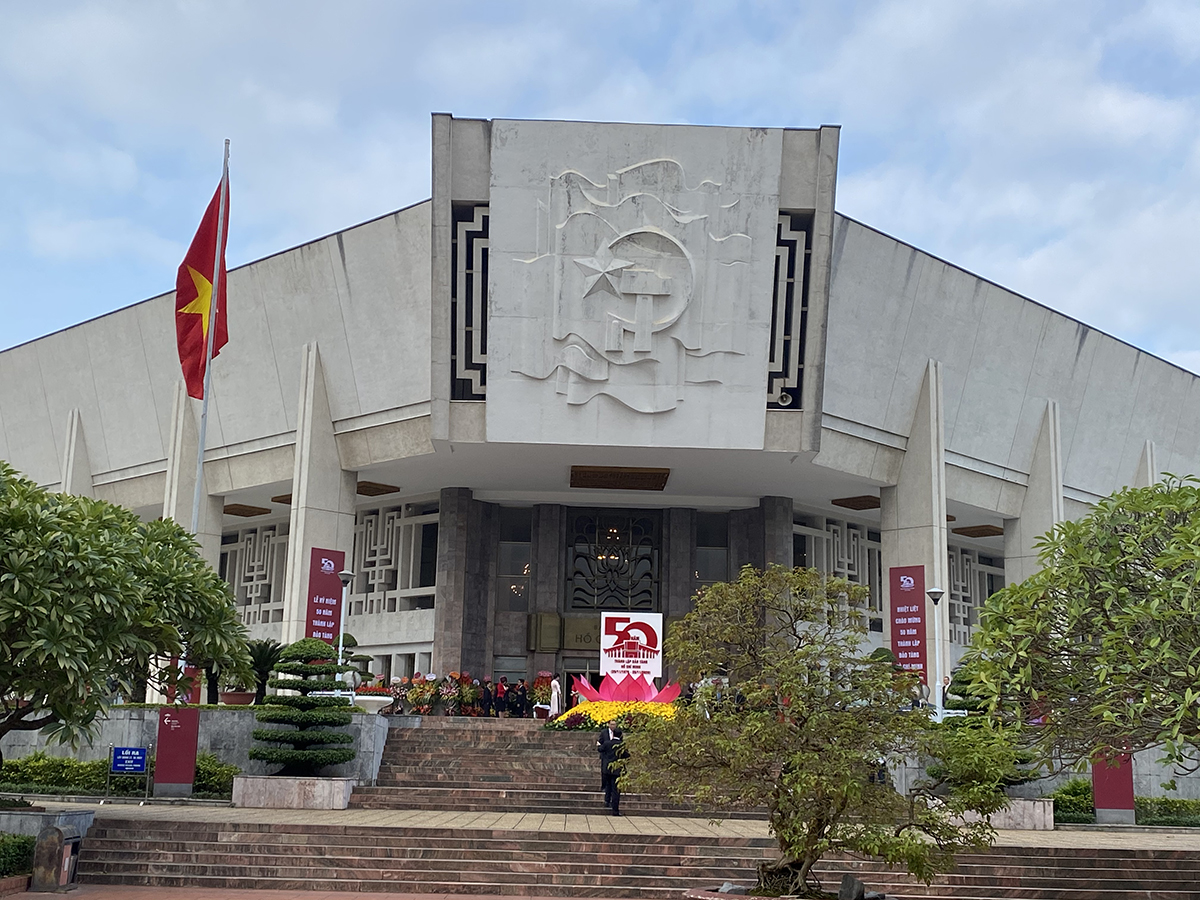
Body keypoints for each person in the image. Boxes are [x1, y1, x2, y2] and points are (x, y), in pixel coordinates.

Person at [597, 719, 624, 815]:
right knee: (615, 789)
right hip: (616, 769)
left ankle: (607, 800)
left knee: (608, 785)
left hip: (607, 768)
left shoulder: (607, 743)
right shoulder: (621, 745)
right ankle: (614, 809)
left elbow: (600, 748)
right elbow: (626, 755)